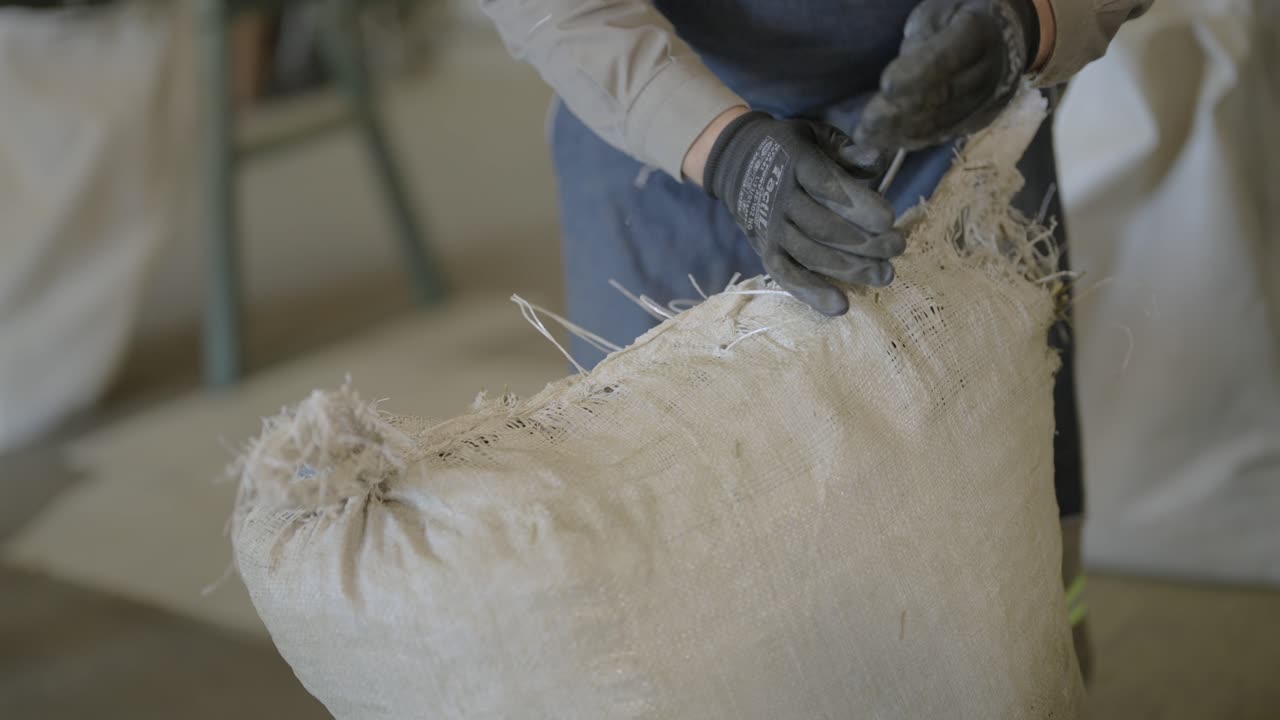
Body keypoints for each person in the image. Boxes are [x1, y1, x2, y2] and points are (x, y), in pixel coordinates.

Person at [480, 0, 1153, 681]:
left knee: (994, 535)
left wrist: (1033, 19)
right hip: (650, 112)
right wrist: (727, 150)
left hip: (958, 96)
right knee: (660, 535)